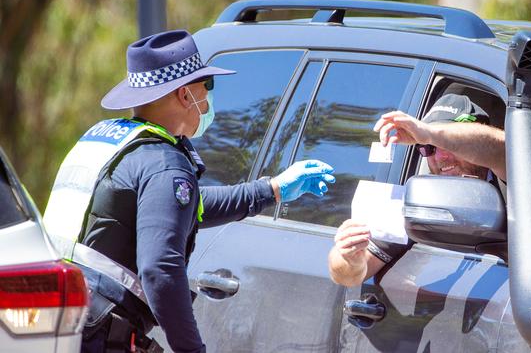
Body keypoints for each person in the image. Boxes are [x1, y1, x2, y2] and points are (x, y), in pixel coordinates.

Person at [43, 30, 335, 353]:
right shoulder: (164, 162)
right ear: (185, 95)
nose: (208, 99)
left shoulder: (109, 141)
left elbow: (172, 208)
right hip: (98, 335)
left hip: (54, 322)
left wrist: (271, 189)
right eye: (206, 86)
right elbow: (160, 270)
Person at [328, 93, 504, 287]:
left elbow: (501, 149)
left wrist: (430, 134)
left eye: (447, 143)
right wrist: (348, 256)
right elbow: (349, 277)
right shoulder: (423, 198)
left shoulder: (514, 182)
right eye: (429, 147)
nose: (440, 156)